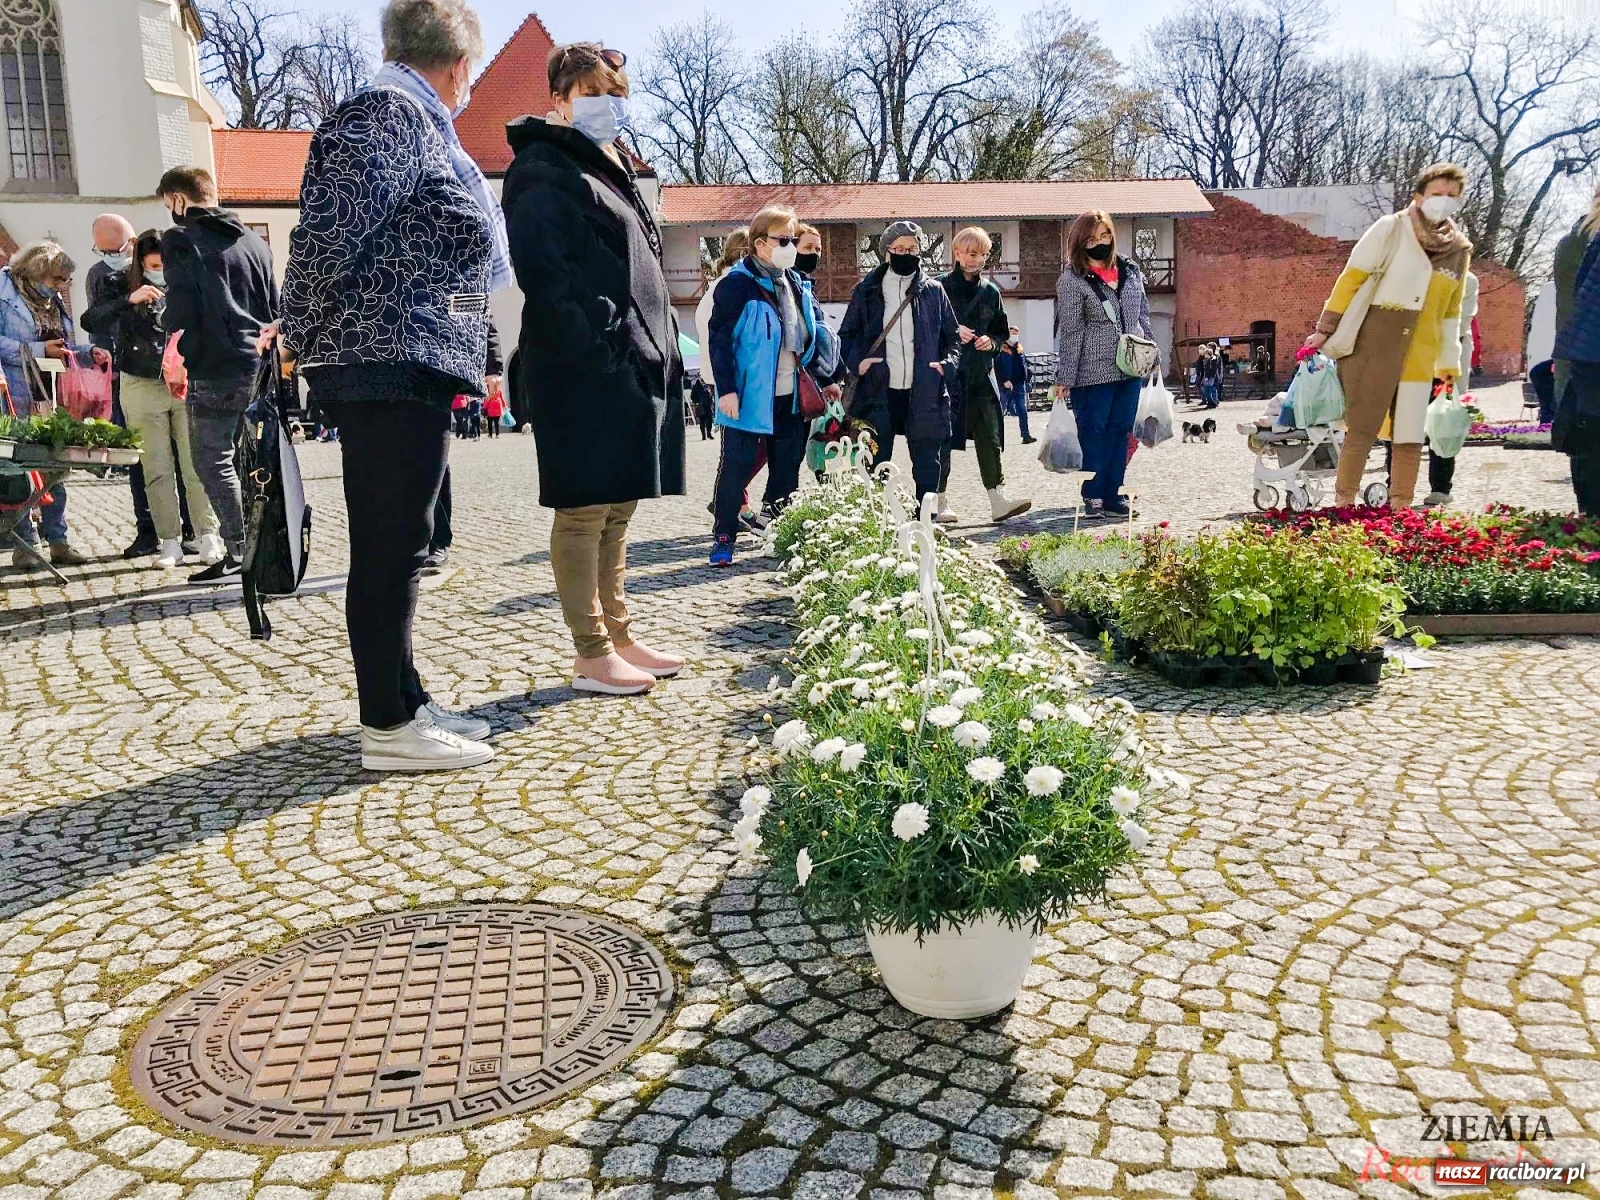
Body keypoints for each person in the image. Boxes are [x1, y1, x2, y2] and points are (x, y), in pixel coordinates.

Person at [283, 0, 510, 772]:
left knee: (406, 539)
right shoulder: (385, 117)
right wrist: (301, 341)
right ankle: (385, 724)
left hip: (414, 357)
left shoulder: (421, 125)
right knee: (391, 542)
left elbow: (456, 259)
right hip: (380, 356)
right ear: (456, 65)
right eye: (471, 71)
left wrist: (477, 349)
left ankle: (406, 695)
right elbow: (326, 236)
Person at [504, 40, 686, 695]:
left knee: (617, 509)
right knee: (584, 510)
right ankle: (590, 651)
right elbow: (546, 275)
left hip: (629, 363)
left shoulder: (611, 165)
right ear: (559, 99)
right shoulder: (544, 166)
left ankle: (619, 634)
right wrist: (601, 344)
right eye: (591, 95)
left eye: (615, 94)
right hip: (583, 364)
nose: (607, 106)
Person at [1306, 162, 1472, 509]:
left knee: (1410, 436)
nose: (1443, 201)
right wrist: (1325, 328)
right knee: (1362, 430)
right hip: (1376, 342)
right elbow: (1350, 279)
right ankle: (1344, 506)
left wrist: (1448, 366)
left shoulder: (1459, 250)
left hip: (1422, 353)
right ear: (1419, 195)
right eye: (1436, 194)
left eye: (1451, 196)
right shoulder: (1391, 229)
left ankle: (1401, 509)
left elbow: (1451, 313)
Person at [157, 165, 278, 582]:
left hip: (214, 365)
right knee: (253, 458)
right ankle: (264, 544)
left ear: (177, 199)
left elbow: (181, 309)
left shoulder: (180, 239)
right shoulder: (253, 241)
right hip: (258, 364)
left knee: (211, 460)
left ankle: (239, 548)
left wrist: (162, 316)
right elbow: (272, 304)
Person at [81, 230, 219, 569]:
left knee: (196, 463)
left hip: (187, 378)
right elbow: (90, 320)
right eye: (155, 265)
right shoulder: (117, 282)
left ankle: (207, 536)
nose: (162, 270)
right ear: (142, 262)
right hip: (141, 380)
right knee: (156, 466)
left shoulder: (190, 282)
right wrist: (130, 299)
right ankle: (168, 540)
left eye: (168, 264)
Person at [706, 203, 827, 566]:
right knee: (736, 467)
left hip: (791, 396)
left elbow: (811, 336)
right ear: (760, 244)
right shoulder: (736, 285)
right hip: (745, 396)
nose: (791, 246)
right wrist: (726, 390)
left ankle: (778, 529)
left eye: (794, 239)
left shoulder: (795, 283)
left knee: (786, 468)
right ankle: (724, 537)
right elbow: (719, 339)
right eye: (784, 239)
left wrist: (825, 377)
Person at [0, 241, 108, 569]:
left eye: (65, 280)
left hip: (50, 394)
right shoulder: (5, 294)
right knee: (20, 471)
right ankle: (26, 546)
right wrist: (37, 349)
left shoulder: (52, 299)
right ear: (37, 273)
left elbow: (64, 343)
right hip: (13, 393)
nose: (62, 286)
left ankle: (58, 540)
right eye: (57, 279)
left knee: (55, 468)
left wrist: (88, 353)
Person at [838, 221, 960, 507]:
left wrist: (946, 365)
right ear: (887, 252)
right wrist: (858, 362)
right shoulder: (867, 290)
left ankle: (927, 520)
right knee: (876, 460)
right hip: (879, 390)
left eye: (912, 248)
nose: (907, 253)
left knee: (928, 461)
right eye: (900, 248)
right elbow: (846, 335)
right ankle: (877, 518)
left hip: (925, 388)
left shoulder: (933, 290)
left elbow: (953, 338)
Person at [87, 213, 180, 558]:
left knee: (182, 457)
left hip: (172, 375)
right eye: (103, 249)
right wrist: (106, 362)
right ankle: (149, 529)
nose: (110, 254)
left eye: (117, 248)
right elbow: (97, 321)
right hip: (130, 373)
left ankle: (188, 529)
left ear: (132, 244)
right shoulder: (103, 276)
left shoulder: (171, 268)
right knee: (143, 460)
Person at [1053, 210, 1153, 516]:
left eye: (1105, 235)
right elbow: (1071, 331)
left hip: (1131, 366)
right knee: (1094, 431)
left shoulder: (1131, 270)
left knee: (1121, 430)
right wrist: (1064, 376)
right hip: (1092, 369)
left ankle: (1114, 493)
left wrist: (1152, 353)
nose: (1100, 242)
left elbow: (1142, 315)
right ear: (1080, 242)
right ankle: (1093, 493)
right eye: (1092, 238)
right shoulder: (1072, 279)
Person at [939, 226, 1029, 523]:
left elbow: (1001, 332)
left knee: (990, 436)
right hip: (948, 378)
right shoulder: (938, 288)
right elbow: (927, 329)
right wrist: (954, 331)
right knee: (941, 438)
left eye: (982, 254)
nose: (976, 259)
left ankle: (997, 499)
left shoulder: (992, 292)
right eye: (971, 253)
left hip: (981, 375)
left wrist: (991, 342)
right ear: (957, 254)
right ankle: (939, 502)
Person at [696, 228, 764, 531]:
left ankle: (738, 502)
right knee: (749, 447)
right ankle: (728, 499)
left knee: (744, 446)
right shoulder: (731, 285)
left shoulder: (721, 286)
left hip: (730, 378)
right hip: (737, 379)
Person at [426, 317, 501, 573]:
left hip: (430, 367)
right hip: (378, 366)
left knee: (431, 460)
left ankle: (436, 540)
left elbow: (477, 304)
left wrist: (493, 365)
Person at [1552, 191, 1600, 514]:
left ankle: (1589, 519)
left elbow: (1575, 292)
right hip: (1587, 347)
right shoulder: (1584, 237)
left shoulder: (1578, 236)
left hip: (1580, 348)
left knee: (1588, 434)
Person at [1421, 268, 1478, 507]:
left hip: (1446, 360)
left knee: (1444, 422)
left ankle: (1441, 487)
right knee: (1403, 420)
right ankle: (1397, 484)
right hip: (1416, 356)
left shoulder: (1467, 279)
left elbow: (1459, 322)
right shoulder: (1418, 272)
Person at [995, 326, 1033, 445]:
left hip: (1019, 385)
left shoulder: (1019, 348)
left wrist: (1026, 379)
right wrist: (1004, 380)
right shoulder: (1001, 348)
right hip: (1005, 385)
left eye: (1017, 333)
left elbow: (1024, 365)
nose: (1015, 336)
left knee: (1022, 410)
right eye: (1013, 333)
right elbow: (997, 367)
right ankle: (996, 438)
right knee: (1000, 411)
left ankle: (1026, 435)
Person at [1195, 343, 1222, 409]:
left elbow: (1213, 370)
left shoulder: (1212, 360)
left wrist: (1208, 377)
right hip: (1209, 377)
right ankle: (1213, 403)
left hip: (1210, 378)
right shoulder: (1209, 360)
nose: (1204, 356)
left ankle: (1212, 403)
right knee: (1212, 390)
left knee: (1207, 390)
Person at [690, 375, 715, 439]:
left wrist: (711, 397)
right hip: (701, 406)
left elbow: (713, 392)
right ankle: (703, 435)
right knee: (702, 421)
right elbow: (692, 396)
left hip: (708, 405)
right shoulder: (696, 386)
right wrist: (697, 401)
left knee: (709, 420)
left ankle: (709, 434)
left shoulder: (708, 384)